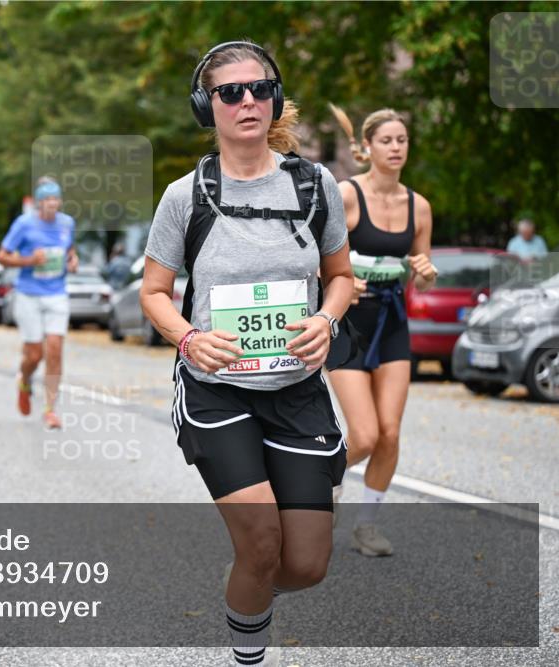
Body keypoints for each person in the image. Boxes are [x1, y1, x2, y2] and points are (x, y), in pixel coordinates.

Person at [140, 42, 354, 667]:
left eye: (260, 88)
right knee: (261, 543)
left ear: (276, 98)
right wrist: (188, 338)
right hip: (216, 390)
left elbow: (339, 276)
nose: (248, 101)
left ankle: (249, 585)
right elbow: (153, 292)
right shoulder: (187, 196)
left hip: (297, 389)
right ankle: (248, 653)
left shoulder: (316, 187)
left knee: (306, 564)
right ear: (207, 106)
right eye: (230, 92)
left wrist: (326, 318)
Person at [326, 105, 438, 557]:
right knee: (366, 435)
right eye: (387, 140)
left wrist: (427, 274)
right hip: (348, 325)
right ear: (366, 147)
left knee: (390, 433)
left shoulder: (420, 206)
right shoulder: (346, 195)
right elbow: (313, 255)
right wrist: (337, 280)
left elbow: (421, 274)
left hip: (392, 323)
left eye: (402, 140)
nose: (396, 148)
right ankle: (322, 480)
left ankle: (366, 527)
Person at [0, 177, 79, 430]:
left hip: (56, 293)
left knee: (55, 350)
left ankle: (50, 410)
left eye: (56, 199)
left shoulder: (67, 223)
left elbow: (70, 251)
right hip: (29, 294)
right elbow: (2, 256)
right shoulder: (24, 224)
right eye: (47, 200)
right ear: (38, 203)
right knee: (34, 354)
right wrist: (29, 261)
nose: (52, 205)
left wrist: (73, 261)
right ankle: (24, 380)